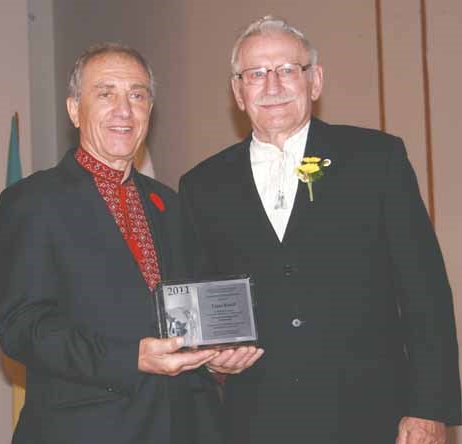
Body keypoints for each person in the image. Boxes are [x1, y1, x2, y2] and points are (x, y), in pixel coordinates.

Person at [179, 16, 462, 444]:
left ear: (315, 82)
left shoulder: (376, 159)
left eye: (288, 70)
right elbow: (200, 296)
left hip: (372, 415)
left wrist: (428, 409)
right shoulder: (202, 185)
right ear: (238, 92)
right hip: (256, 420)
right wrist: (212, 358)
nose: (272, 86)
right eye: (256, 74)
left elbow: (425, 293)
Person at [0, 42, 245, 444]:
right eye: (105, 93)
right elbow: (23, 328)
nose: (124, 110)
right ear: (75, 109)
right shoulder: (33, 201)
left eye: (137, 95)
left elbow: (190, 310)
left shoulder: (171, 204)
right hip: (86, 429)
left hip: (185, 425)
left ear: (149, 111)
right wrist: (131, 358)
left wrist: (220, 353)